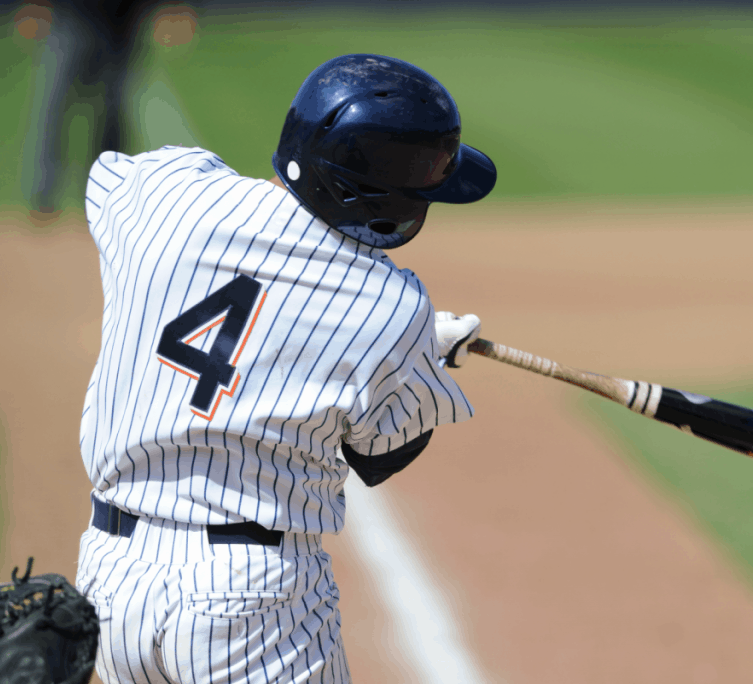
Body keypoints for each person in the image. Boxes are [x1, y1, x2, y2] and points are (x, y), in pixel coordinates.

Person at [75, 54, 494, 684]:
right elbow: (379, 453)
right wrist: (421, 352)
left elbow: (105, 185)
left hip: (107, 582)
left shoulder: (161, 192)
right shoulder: (391, 305)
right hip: (250, 608)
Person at [16, 0, 158, 223]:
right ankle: (43, 197)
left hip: (121, 28)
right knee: (54, 108)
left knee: (112, 113)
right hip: (75, 18)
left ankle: (106, 194)